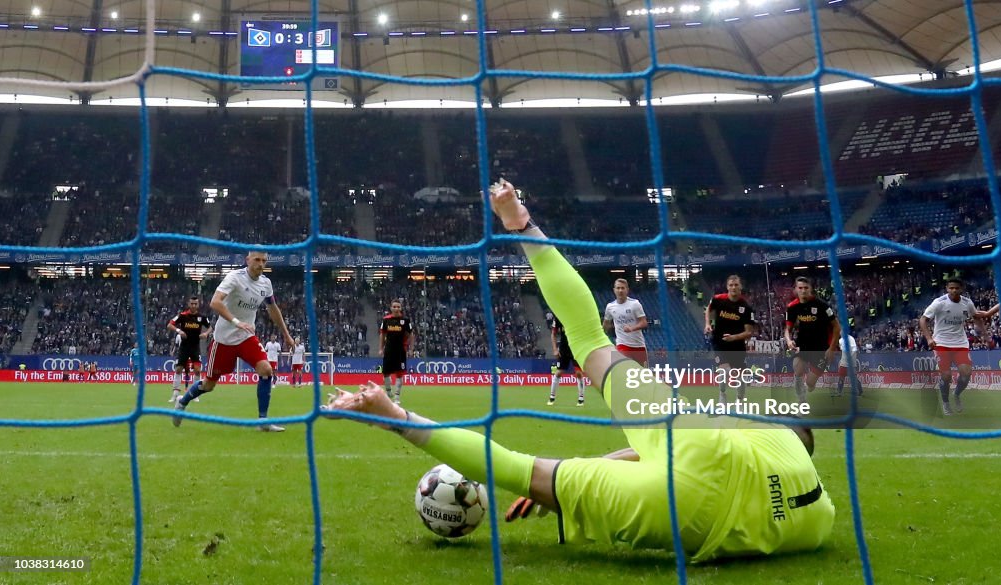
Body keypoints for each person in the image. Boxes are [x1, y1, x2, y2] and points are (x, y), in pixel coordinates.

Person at [322, 179, 834, 561]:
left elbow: (673, 445)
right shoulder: (820, 518)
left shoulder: (774, 438)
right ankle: (392, 414)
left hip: (700, 447)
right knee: (527, 473)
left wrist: (608, 459)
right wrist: (571, 482)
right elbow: (658, 457)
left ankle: (522, 224)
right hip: (693, 521)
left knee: (587, 338)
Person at [173, 251, 295, 432]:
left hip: (246, 337)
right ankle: (182, 402)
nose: (260, 264)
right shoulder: (234, 278)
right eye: (257, 260)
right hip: (224, 340)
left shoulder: (266, 283)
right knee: (209, 384)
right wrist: (237, 322)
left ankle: (263, 421)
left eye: (264, 261)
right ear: (248, 261)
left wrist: (286, 334)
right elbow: (215, 302)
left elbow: (272, 308)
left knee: (266, 370)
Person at [919, 278, 990, 416]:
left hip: (960, 343)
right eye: (951, 288)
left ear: (961, 289)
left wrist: (986, 336)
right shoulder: (939, 303)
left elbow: (976, 317)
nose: (954, 290)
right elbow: (923, 319)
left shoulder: (967, 303)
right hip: (941, 343)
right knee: (946, 376)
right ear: (947, 288)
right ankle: (945, 402)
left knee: (966, 374)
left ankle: (956, 394)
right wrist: (928, 338)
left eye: (957, 288)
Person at [784, 277, 840, 404]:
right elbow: (787, 329)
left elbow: (837, 327)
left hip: (821, 348)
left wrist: (832, 349)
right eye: (800, 288)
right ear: (795, 290)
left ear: (810, 289)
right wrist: (788, 340)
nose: (803, 291)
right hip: (803, 345)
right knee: (797, 368)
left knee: (810, 383)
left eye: (806, 288)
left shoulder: (822, 306)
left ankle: (810, 386)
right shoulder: (792, 307)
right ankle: (801, 401)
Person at [704, 275, 757, 403]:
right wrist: (707, 324)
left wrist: (734, 337)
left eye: (736, 285)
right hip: (719, 342)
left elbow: (749, 332)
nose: (733, 287)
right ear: (727, 287)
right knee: (724, 371)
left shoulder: (746, 308)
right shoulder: (718, 299)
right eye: (731, 285)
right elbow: (708, 310)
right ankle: (722, 395)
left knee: (740, 377)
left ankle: (740, 400)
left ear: (741, 287)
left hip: (737, 345)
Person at [167, 295, 212, 403]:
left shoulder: (202, 317)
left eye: (195, 304)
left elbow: (211, 327)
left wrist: (206, 333)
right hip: (184, 347)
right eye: (191, 303)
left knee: (197, 370)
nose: (193, 305)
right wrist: (179, 331)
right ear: (188, 304)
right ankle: (175, 394)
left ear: (198, 304)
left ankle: (195, 394)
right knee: (178, 369)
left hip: (195, 347)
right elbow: (170, 325)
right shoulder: (182, 316)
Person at [603, 278, 648, 366]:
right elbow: (606, 324)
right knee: (622, 368)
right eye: (618, 288)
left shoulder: (635, 304)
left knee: (643, 374)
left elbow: (644, 322)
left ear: (627, 290)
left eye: (623, 288)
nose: (620, 290)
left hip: (638, 344)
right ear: (614, 290)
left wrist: (632, 328)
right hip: (622, 344)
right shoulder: (610, 307)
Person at [379, 299, 415, 403]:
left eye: (398, 307)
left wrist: (411, 349)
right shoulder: (386, 320)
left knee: (399, 374)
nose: (396, 309)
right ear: (391, 308)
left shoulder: (405, 320)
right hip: (389, 350)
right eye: (394, 307)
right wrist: (381, 348)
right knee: (385, 373)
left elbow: (411, 335)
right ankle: (388, 391)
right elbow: (382, 334)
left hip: (400, 351)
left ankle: (397, 397)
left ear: (401, 308)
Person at [548, 314, 585, 406]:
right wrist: (555, 349)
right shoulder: (558, 317)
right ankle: (552, 397)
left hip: (576, 348)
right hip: (564, 349)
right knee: (559, 373)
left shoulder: (578, 316)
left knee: (579, 374)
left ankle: (581, 398)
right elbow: (553, 334)